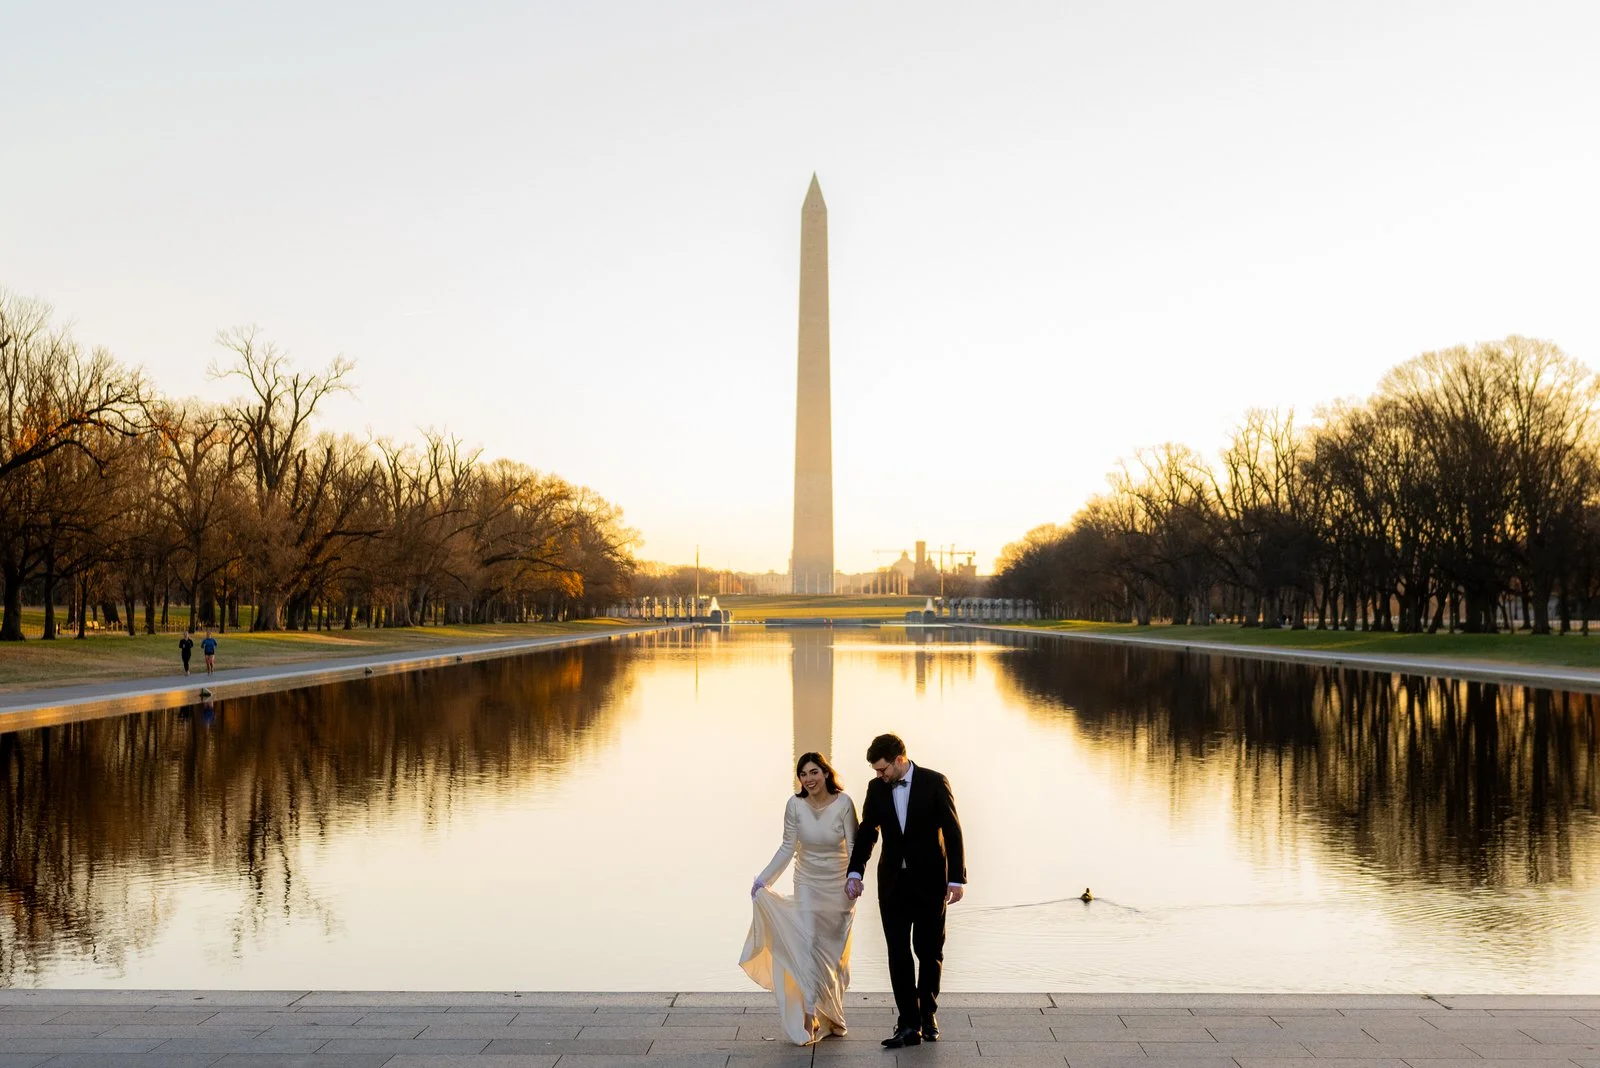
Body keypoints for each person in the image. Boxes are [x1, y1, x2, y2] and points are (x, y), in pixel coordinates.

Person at [845, 733, 966, 1049]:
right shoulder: (876, 788)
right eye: (875, 771)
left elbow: (952, 831)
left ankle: (927, 1013)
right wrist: (856, 871)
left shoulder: (935, 782)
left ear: (900, 760)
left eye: (883, 769)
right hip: (892, 885)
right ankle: (908, 1023)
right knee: (898, 953)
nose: (879, 776)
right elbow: (868, 831)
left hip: (930, 882)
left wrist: (956, 879)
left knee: (929, 952)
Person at [740, 752, 859, 1045]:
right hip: (806, 881)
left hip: (839, 887)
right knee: (808, 945)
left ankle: (830, 1011)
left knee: (832, 956)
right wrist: (763, 880)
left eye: (814, 772)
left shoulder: (844, 804)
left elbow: (855, 845)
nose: (809, 779)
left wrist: (856, 878)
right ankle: (809, 1015)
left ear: (826, 773)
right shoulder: (794, 805)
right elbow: (787, 847)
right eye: (803, 774)